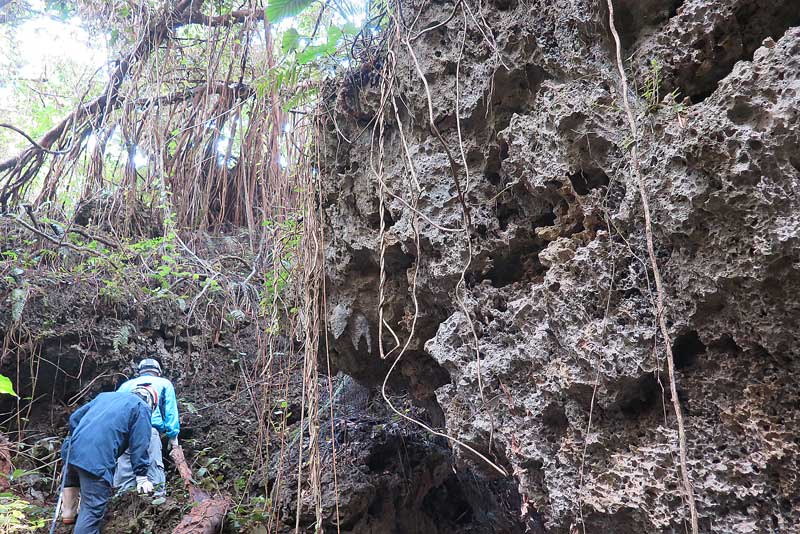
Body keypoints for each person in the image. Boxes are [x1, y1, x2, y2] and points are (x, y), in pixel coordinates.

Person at [60, 385, 158, 532]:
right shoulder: (141, 407)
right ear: (151, 402)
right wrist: (141, 476)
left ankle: (68, 513)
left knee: (73, 477)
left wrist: (79, 442)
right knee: (92, 509)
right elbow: (140, 443)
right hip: (96, 459)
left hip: (71, 451)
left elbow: (75, 417)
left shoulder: (105, 396)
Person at [114, 359, 180, 494]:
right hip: (149, 430)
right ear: (158, 372)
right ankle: (155, 504)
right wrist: (173, 439)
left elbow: (116, 412)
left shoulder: (126, 386)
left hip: (124, 433)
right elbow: (170, 412)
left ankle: (124, 504)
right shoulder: (164, 383)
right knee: (152, 470)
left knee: (125, 471)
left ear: (139, 372)